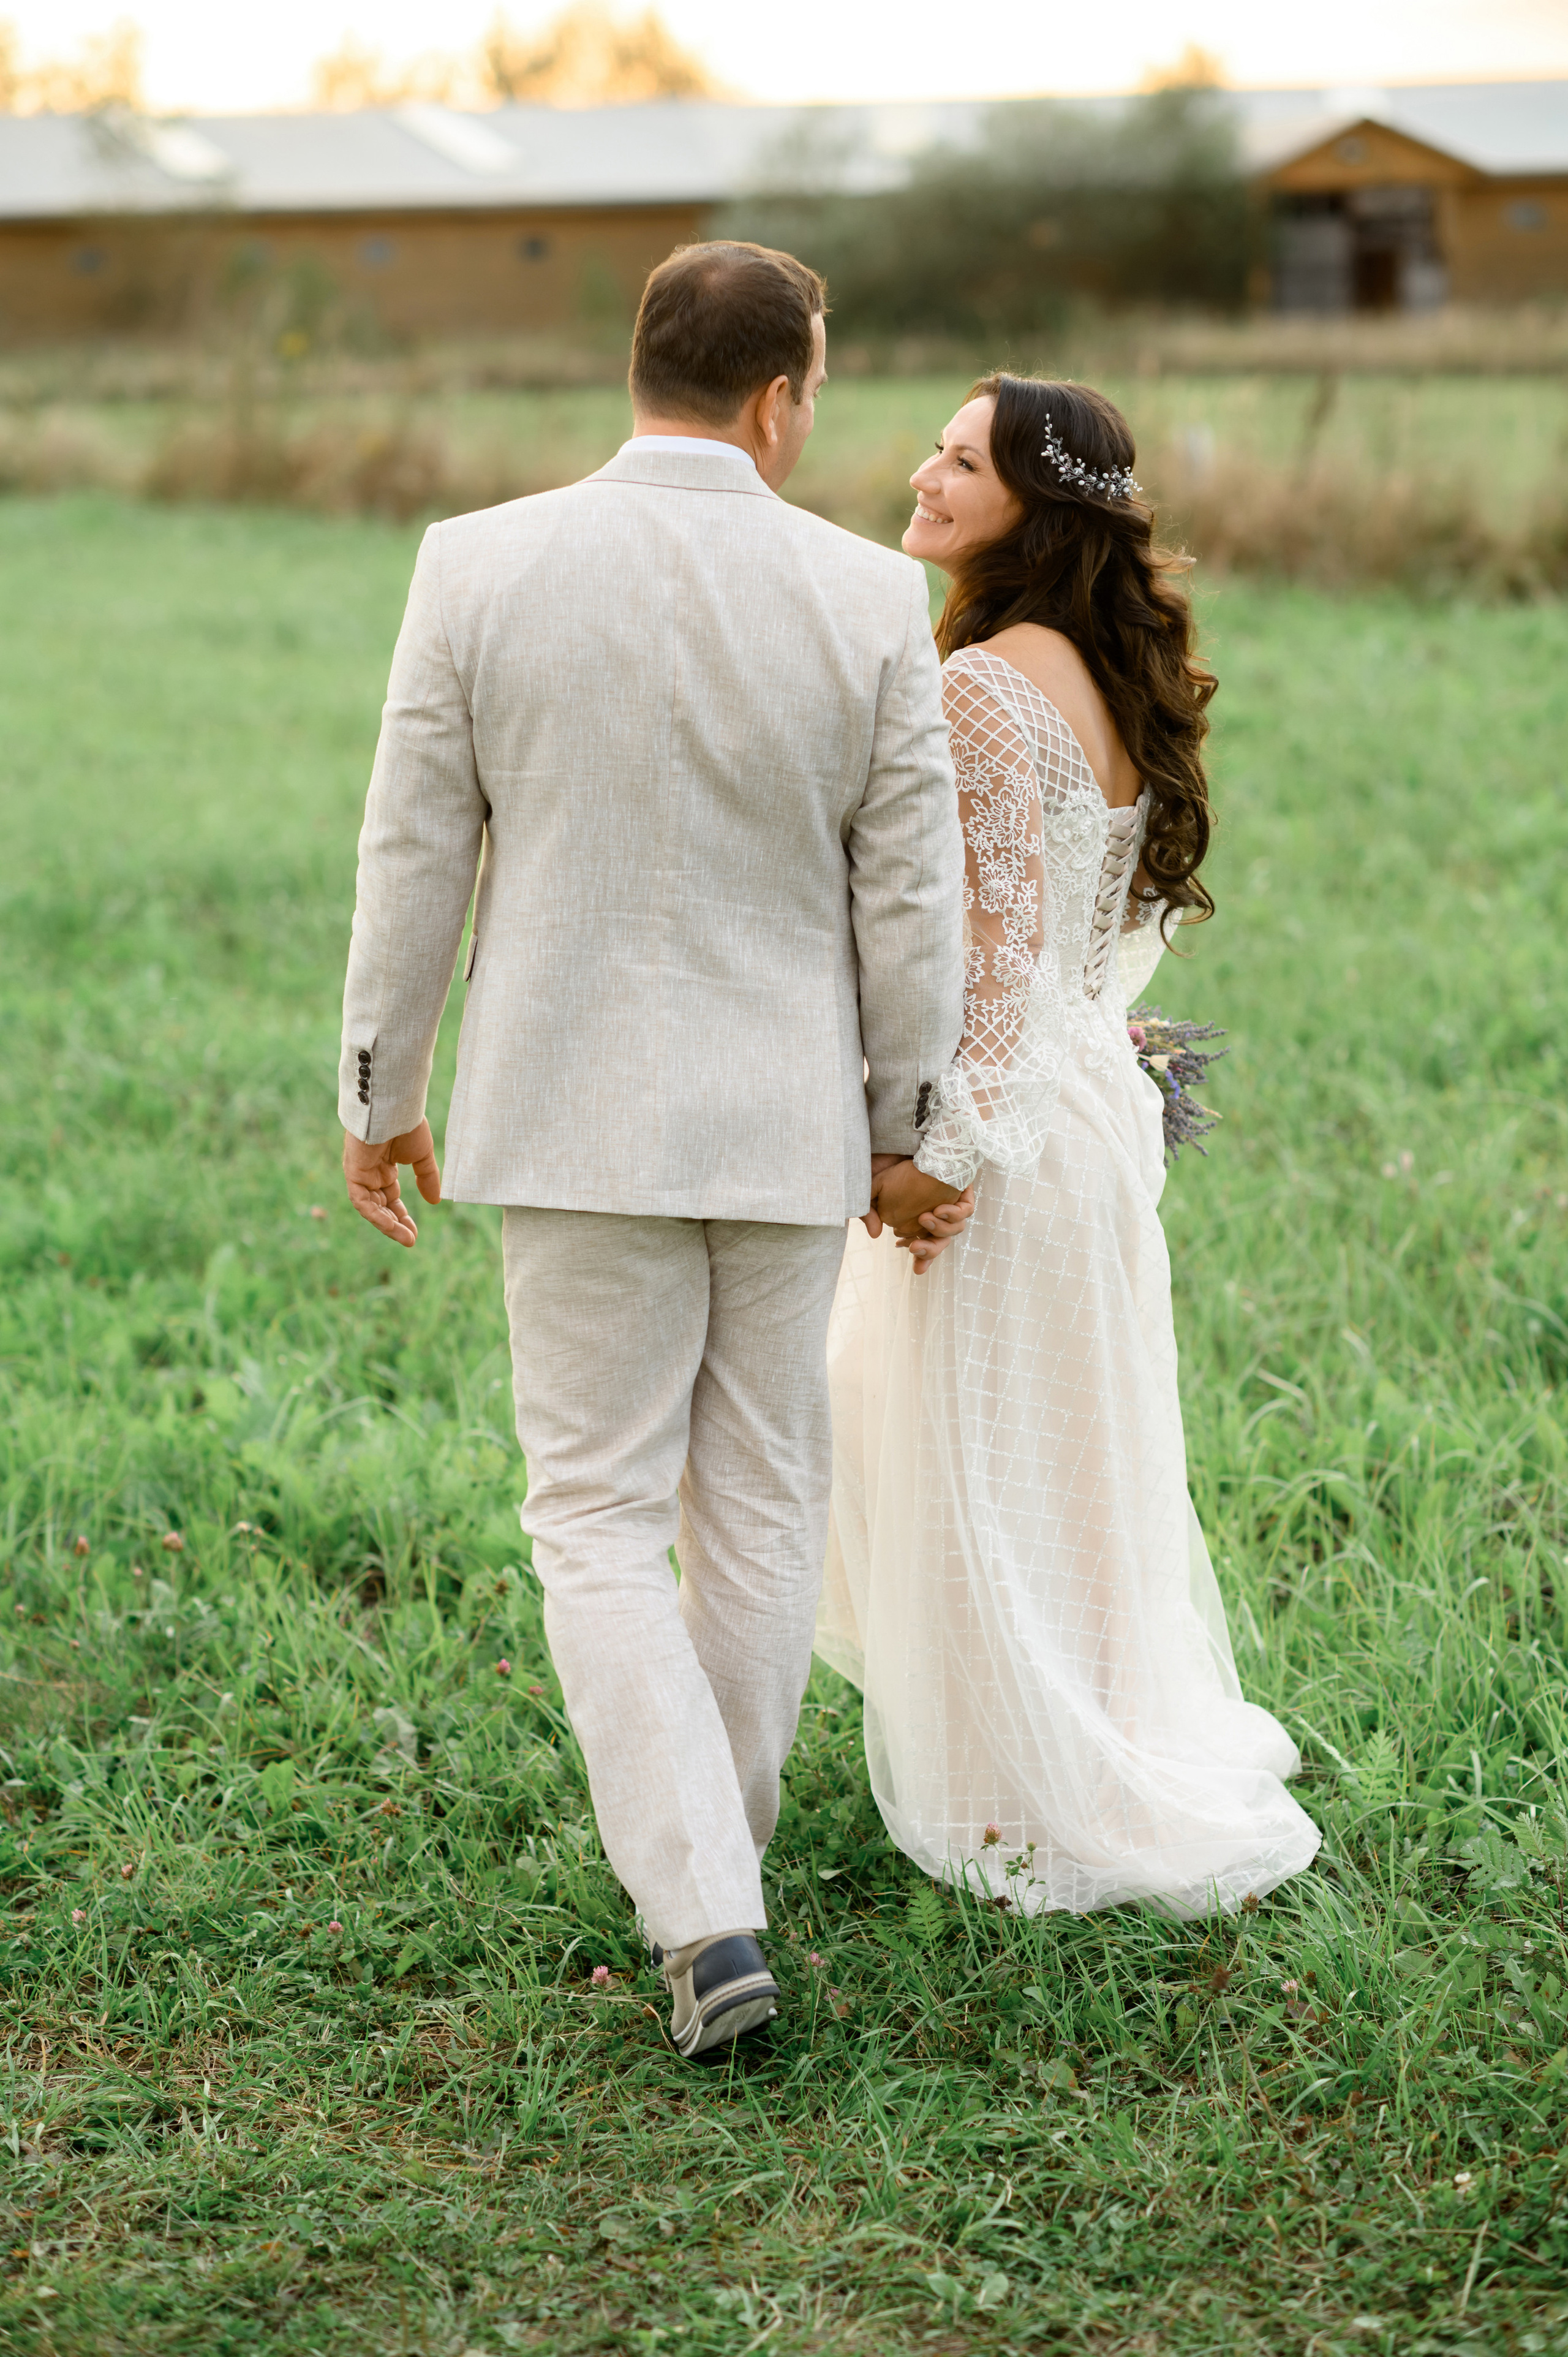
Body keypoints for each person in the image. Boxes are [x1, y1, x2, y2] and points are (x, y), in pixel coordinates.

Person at [336, 243, 967, 2058]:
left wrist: (380, 1090)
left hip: (570, 1115)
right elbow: (907, 899)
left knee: (598, 1520)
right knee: (764, 1501)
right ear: (782, 396)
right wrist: (904, 1122)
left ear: (647, 368)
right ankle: (721, 1882)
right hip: (787, 1127)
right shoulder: (861, 597)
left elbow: (412, 853)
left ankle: (702, 1911)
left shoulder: (478, 563)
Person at [816, 375, 1321, 1918]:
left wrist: (938, 1160)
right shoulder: (1103, 670)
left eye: (959, 461)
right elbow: (1100, 945)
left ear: (1030, 504)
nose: (921, 472)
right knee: (1066, 1457)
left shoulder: (979, 682)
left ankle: (1017, 1790)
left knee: (973, 1457)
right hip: (1086, 1105)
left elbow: (988, 953)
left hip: (1011, 1137)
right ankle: (1067, 1738)